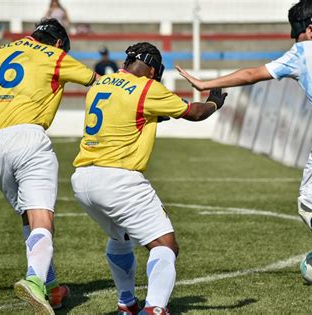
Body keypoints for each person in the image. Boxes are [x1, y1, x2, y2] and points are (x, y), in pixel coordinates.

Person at [176, 0, 312, 293]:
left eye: (297, 34)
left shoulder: (303, 51)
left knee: (309, 207)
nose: (296, 40)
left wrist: (206, 83)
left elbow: (251, 74)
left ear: (309, 29)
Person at [71, 42, 226, 315]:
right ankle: (154, 308)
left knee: (120, 237)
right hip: (118, 179)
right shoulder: (148, 87)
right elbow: (195, 113)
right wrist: (214, 102)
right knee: (165, 245)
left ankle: (127, 303)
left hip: (83, 179)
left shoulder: (102, 83)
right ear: (153, 70)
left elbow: (131, 115)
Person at [0, 19, 97, 314]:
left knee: (28, 215)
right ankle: (35, 280)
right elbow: (97, 82)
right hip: (28, 138)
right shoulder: (56, 55)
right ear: (57, 43)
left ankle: (51, 287)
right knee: (42, 216)